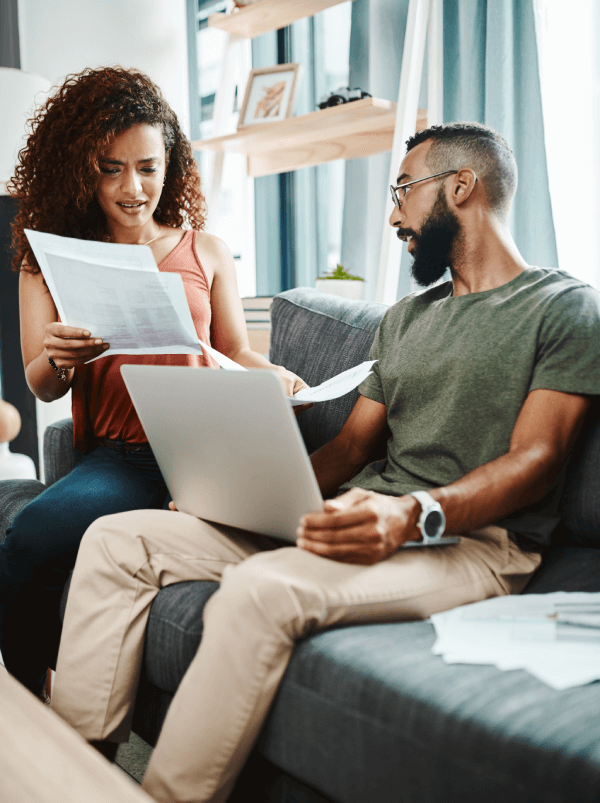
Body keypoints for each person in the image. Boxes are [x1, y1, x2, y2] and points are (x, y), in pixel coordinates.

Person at [51, 122, 600, 803]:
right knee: (116, 539)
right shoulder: (406, 318)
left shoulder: (563, 306)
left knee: (261, 588)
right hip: (351, 516)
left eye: (404, 189)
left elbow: (538, 458)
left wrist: (412, 513)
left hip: (471, 543)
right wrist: (237, 495)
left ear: (462, 186)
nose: (394, 211)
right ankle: (68, 780)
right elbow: (350, 448)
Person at [0, 66, 307, 698]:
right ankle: (31, 699)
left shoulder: (208, 251)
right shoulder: (49, 259)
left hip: (213, 446)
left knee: (302, 524)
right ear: (79, 169)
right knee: (31, 535)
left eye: (147, 165)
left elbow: (233, 352)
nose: (132, 187)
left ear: (171, 162)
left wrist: (275, 376)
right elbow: (42, 387)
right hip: (126, 459)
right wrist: (61, 356)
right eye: (110, 168)